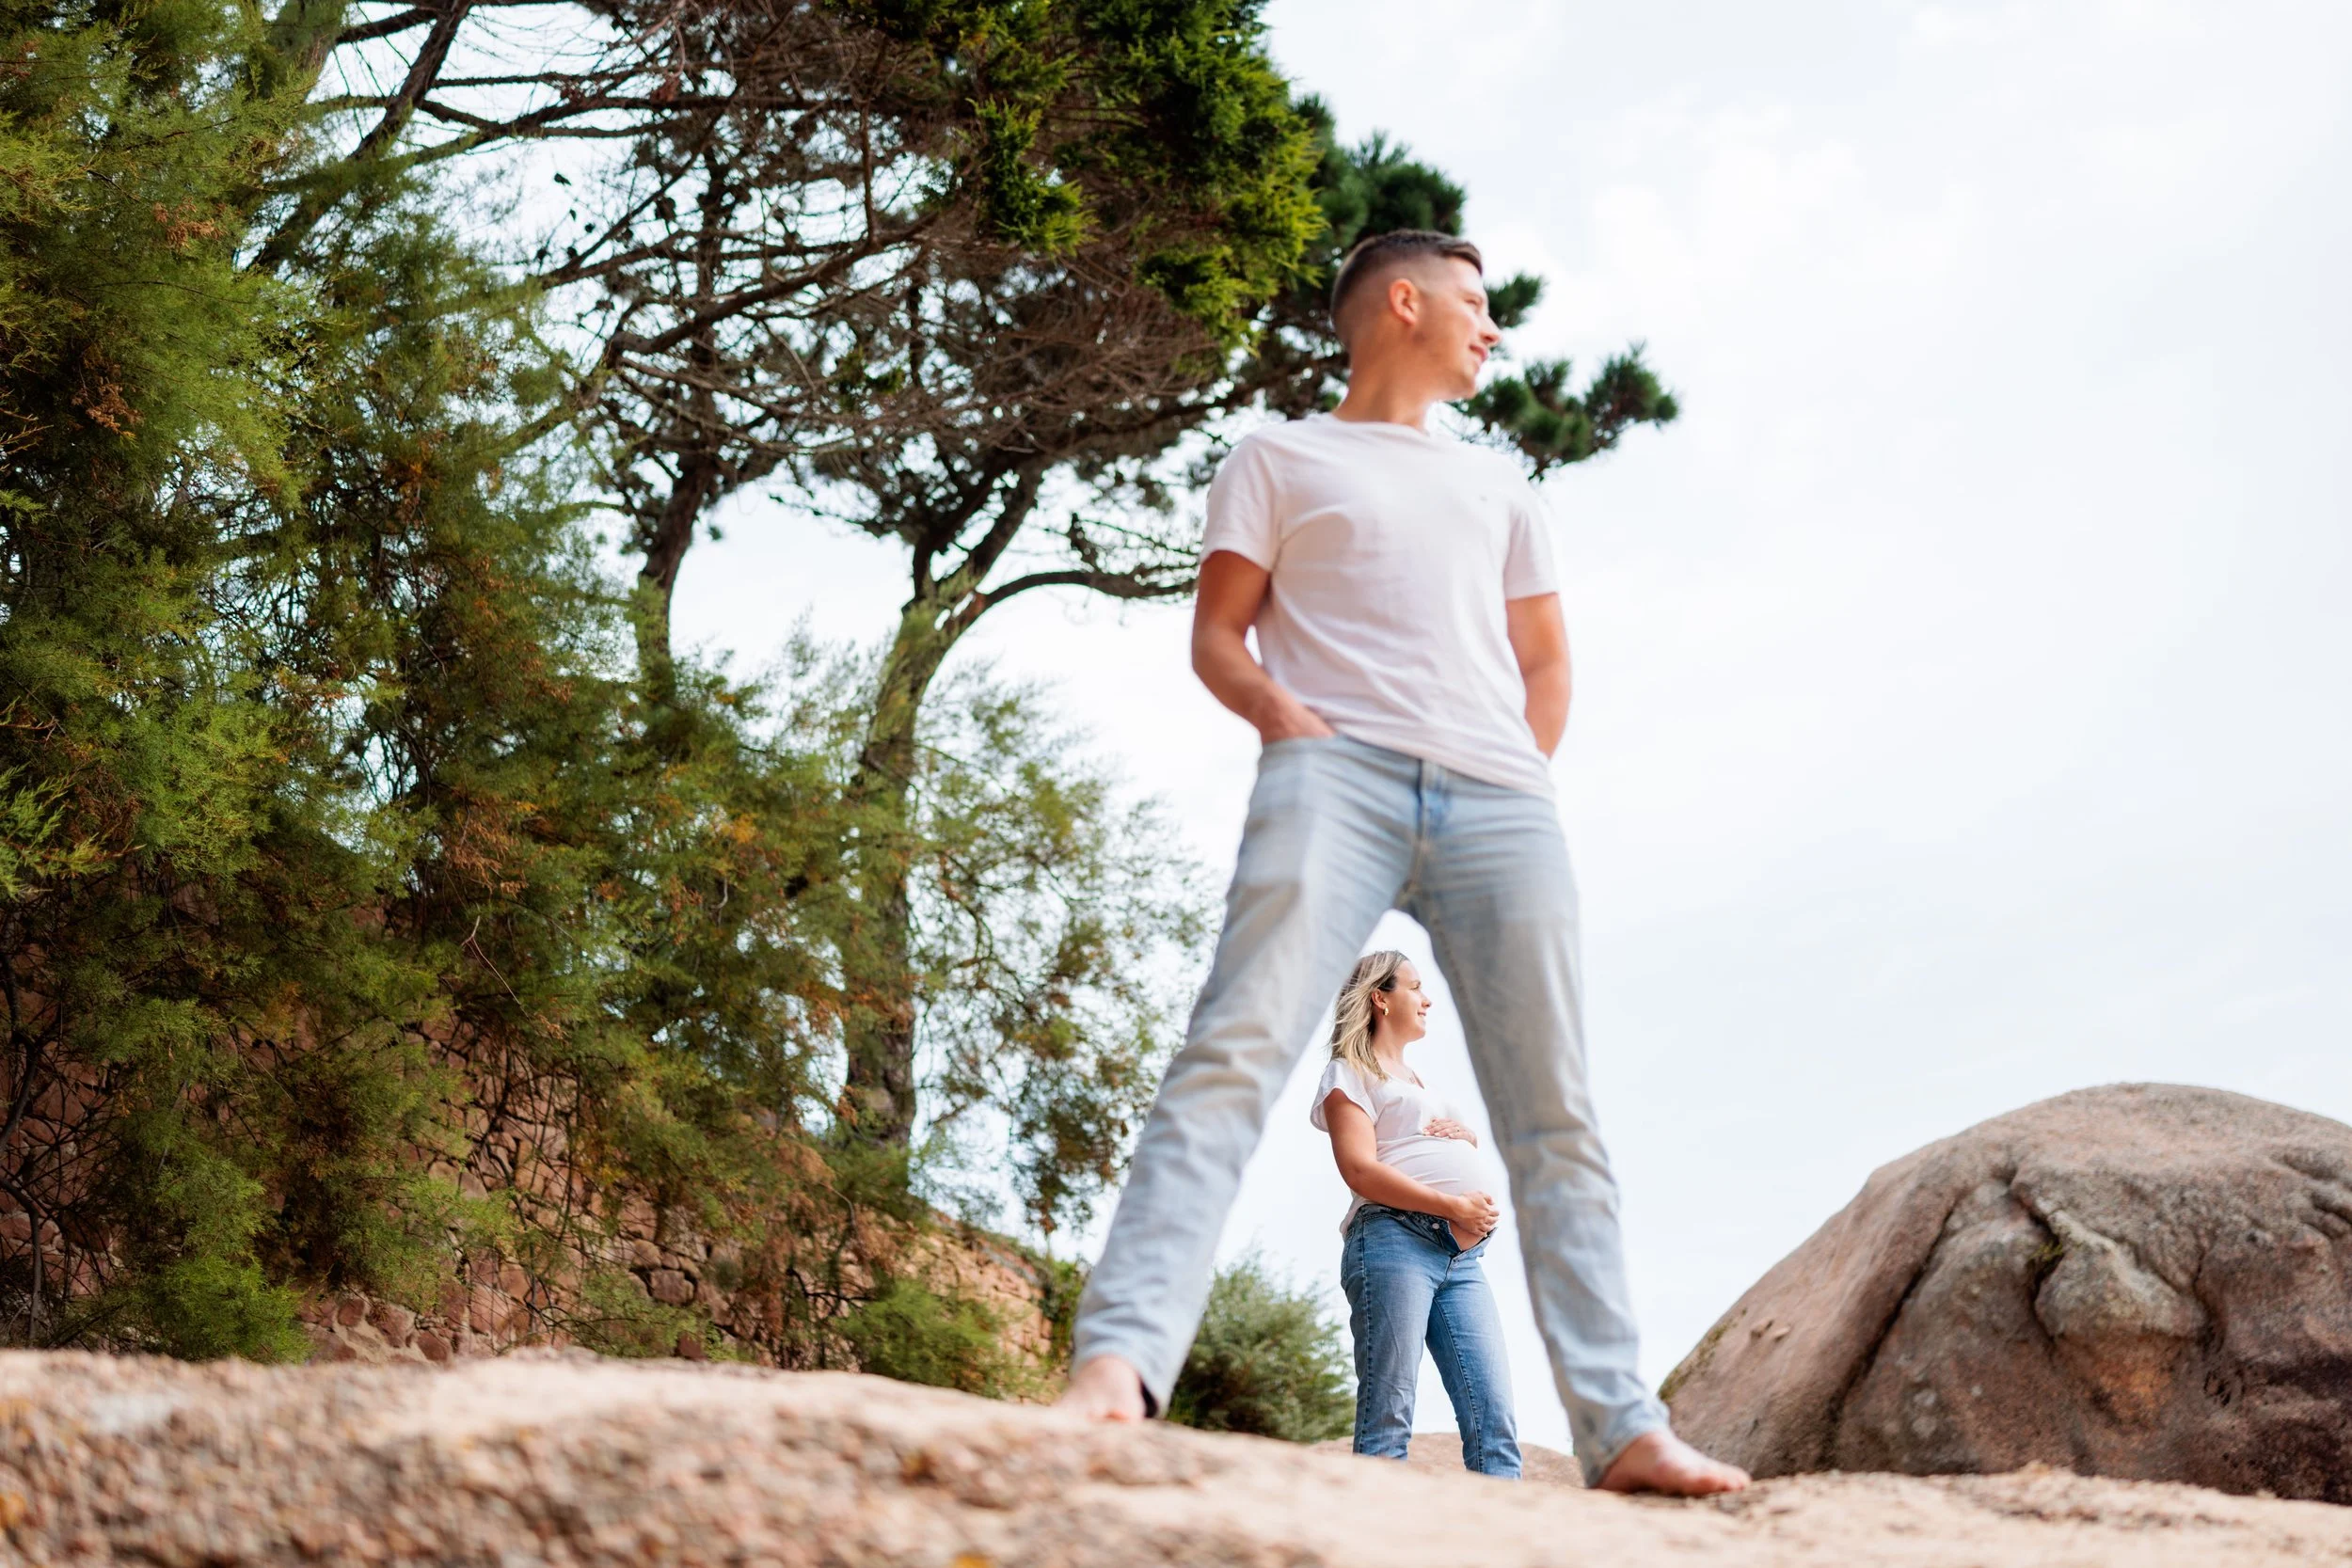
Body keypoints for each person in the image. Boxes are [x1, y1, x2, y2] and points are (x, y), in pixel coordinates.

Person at [1057, 228, 1748, 1495]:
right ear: (1405, 302)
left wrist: (1519, 775)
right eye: (1477, 305)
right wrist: (1289, 727)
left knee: (1556, 1113)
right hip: (1338, 777)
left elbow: (1546, 663)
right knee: (1233, 1055)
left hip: (1501, 800)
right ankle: (1116, 1367)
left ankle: (1623, 1425)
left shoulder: (1501, 486)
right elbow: (1219, 636)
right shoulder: (1278, 455)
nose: (1494, 330)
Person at [1317, 949, 1518, 1477]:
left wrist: (1469, 1142)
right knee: (1388, 1415)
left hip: (1461, 1260)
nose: (1427, 1000)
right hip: (1392, 1242)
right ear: (1380, 998)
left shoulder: (1421, 1082)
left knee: (1493, 1417)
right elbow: (1359, 1170)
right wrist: (1453, 1203)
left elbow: (1423, 1145)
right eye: (1415, 987)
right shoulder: (1349, 1072)